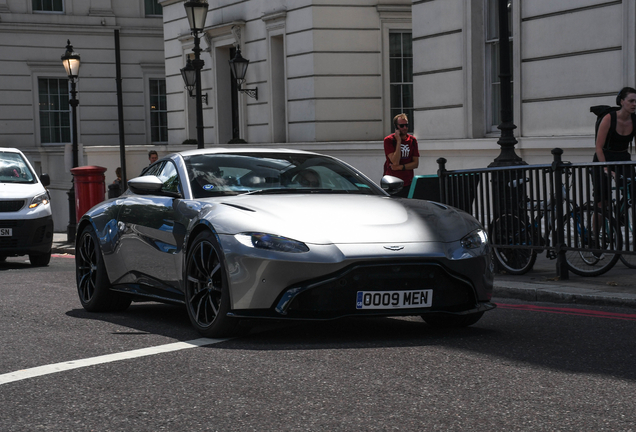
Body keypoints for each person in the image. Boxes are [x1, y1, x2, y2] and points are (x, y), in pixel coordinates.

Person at [593, 87, 636, 206]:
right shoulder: (609, 118)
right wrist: (606, 168)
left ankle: (619, 218)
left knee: (632, 193)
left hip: (623, 158)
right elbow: (598, 147)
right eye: (631, 101)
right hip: (603, 158)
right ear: (621, 101)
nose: (634, 104)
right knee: (602, 202)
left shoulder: (634, 120)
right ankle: (598, 222)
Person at [383, 113, 419, 198]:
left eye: (406, 125)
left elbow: (415, 163)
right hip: (393, 183)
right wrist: (398, 141)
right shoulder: (389, 140)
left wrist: (400, 167)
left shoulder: (412, 140)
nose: (405, 128)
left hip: (408, 182)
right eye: (402, 126)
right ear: (396, 127)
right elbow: (395, 161)